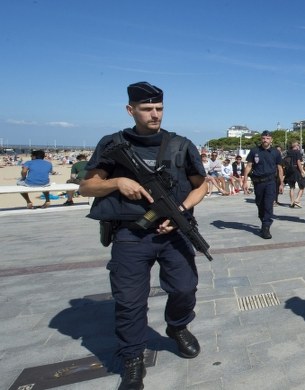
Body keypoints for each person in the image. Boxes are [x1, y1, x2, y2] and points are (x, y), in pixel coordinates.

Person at [79, 82, 207, 389]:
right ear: (130, 110)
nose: (154, 114)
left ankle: (177, 327)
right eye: (147, 109)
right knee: (130, 301)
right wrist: (117, 182)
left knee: (185, 288)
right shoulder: (112, 144)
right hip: (130, 235)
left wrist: (182, 209)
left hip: (173, 232)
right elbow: (87, 186)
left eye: (159, 109)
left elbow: (202, 185)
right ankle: (133, 356)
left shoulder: (180, 145)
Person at [243, 130, 284, 239]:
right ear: (261, 139)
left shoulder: (276, 152)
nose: (265, 140)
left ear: (271, 140)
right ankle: (263, 221)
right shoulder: (254, 151)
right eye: (263, 138)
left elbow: (280, 168)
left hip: (270, 182)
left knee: (268, 204)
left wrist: (281, 183)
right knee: (259, 203)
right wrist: (244, 181)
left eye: (267, 138)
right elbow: (249, 166)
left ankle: (266, 227)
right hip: (258, 182)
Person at [284, 142, 305, 208]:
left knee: (292, 187)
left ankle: (292, 202)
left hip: (289, 170)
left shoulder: (288, 152)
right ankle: (297, 200)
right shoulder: (297, 152)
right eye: (298, 145)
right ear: (296, 146)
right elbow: (298, 162)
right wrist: (302, 171)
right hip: (296, 169)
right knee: (302, 185)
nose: (299, 147)